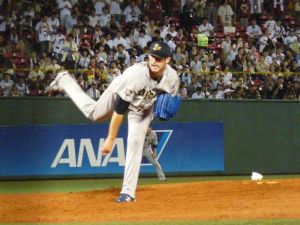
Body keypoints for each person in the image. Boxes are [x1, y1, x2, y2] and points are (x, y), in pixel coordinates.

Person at [50, 41, 179, 202]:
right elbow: (120, 108)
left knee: (135, 142)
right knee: (93, 114)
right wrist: (111, 139)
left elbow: (170, 99)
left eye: (158, 59)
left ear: (167, 60)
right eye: (152, 56)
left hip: (142, 109)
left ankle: (128, 193)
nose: (153, 61)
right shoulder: (136, 74)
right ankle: (64, 80)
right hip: (120, 92)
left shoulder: (173, 78)